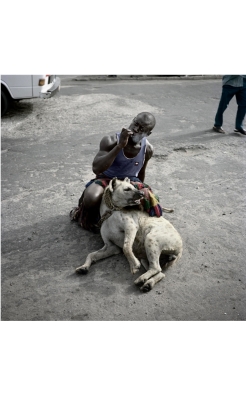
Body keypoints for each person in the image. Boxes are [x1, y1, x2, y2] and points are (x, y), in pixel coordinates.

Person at [70, 112, 163, 232]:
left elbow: (141, 172)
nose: (135, 129)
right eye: (135, 124)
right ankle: (94, 220)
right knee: (91, 197)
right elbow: (96, 168)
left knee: (148, 200)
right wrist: (119, 146)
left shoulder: (148, 149)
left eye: (141, 129)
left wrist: (139, 189)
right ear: (132, 120)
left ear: (147, 134)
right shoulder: (110, 140)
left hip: (130, 181)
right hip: (106, 178)